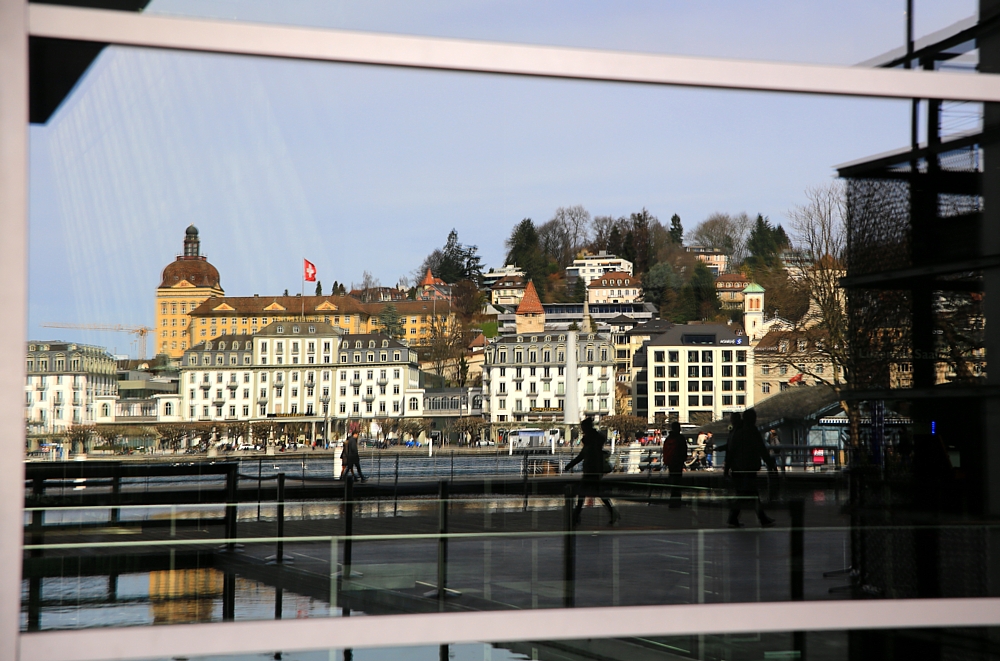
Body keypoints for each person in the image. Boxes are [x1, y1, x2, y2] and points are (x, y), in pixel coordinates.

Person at [724, 408, 777, 527]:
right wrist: (770, 463)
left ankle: (739, 517)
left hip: (738, 467)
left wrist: (727, 468)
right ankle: (757, 518)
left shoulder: (737, 431)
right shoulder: (751, 431)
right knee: (749, 493)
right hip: (749, 466)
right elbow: (761, 449)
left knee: (747, 494)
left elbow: (731, 451)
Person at [565, 417, 619, 525]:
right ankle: (612, 513)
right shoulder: (595, 441)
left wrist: (569, 465)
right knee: (598, 493)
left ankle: (576, 517)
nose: (582, 430)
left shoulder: (590, 442)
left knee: (582, 494)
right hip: (595, 471)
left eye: (583, 428)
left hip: (590, 471)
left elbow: (581, 456)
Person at [662, 421, 686, 507]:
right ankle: (677, 501)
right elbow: (683, 451)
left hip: (670, 462)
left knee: (672, 482)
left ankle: (672, 502)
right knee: (678, 482)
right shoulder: (680, 438)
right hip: (678, 462)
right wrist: (683, 461)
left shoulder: (668, 439)